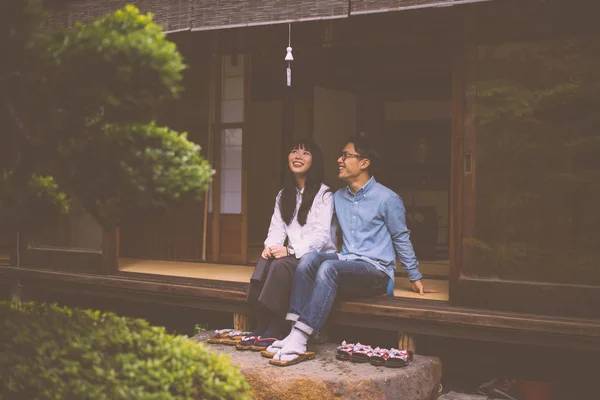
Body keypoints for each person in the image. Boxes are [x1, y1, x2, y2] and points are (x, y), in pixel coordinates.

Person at [268, 135, 437, 365]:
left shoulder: (387, 198)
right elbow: (318, 229)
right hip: (347, 262)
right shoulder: (338, 197)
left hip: (376, 271)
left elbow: (401, 237)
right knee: (309, 259)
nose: (339, 160)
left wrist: (414, 275)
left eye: (345, 155)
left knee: (328, 268)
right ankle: (293, 330)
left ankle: (300, 337)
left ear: (364, 163)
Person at [245, 139, 337, 344]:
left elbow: (321, 237)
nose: (298, 156)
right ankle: (261, 321)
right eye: (294, 151)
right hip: (293, 253)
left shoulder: (324, 194)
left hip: (316, 256)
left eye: (305, 153)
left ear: (315, 161)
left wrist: (290, 250)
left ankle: (276, 325)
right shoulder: (283, 195)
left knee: (281, 265)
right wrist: (271, 247)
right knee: (265, 260)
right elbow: (276, 228)